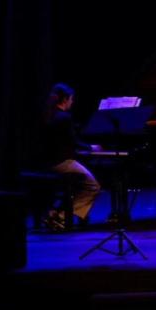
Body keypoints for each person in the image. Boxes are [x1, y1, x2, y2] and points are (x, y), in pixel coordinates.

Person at [40, 83, 102, 228]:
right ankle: (61, 217)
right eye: (71, 99)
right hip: (61, 163)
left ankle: (54, 213)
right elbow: (73, 142)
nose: (72, 102)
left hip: (46, 163)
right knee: (93, 186)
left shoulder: (49, 115)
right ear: (65, 99)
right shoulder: (64, 117)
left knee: (78, 181)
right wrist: (92, 147)